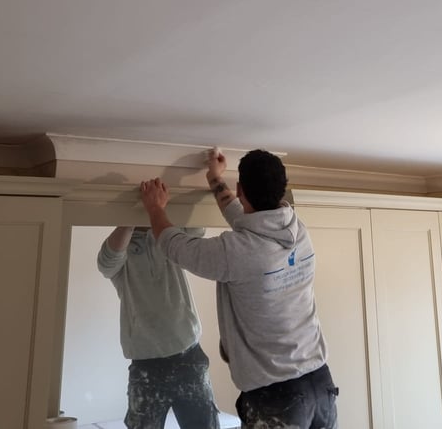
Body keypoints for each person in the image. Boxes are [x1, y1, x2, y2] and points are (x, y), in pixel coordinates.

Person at [139, 148, 338, 429]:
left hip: (277, 396)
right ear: (282, 190)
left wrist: (155, 209)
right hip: (320, 384)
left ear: (240, 188)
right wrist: (213, 178)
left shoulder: (235, 252)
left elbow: (176, 246)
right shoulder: (297, 229)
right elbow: (245, 218)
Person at [97, 225, 220, 429]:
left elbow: (197, 229)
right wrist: (129, 221)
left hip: (188, 356)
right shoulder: (122, 246)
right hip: (146, 366)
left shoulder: (170, 237)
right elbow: (106, 263)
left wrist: (160, 212)